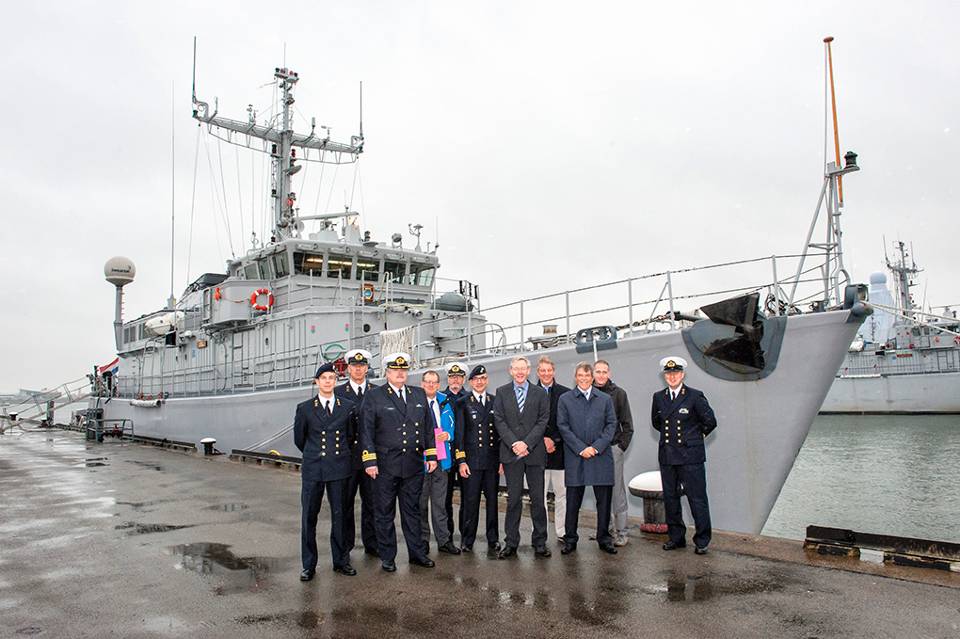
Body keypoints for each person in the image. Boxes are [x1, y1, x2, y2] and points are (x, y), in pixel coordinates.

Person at [361, 352, 439, 571]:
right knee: (385, 513)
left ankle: (417, 554)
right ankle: (388, 557)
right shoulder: (374, 396)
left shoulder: (418, 394)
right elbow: (366, 430)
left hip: (413, 464)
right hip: (385, 465)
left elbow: (428, 427)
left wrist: (431, 455)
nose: (400, 373)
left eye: (403, 370)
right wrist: (369, 461)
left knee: (412, 511)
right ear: (387, 372)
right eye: (395, 370)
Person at [294, 363, 357, 580]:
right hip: (314, 469)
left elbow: (350, 436)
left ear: (335, 381)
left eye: (331, 378)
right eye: (324, 378)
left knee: (340, 516)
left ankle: (341, 560)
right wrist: (315, 454)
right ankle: (308, 565)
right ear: (317, 382)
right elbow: (300, 439)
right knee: (309, 517)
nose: (328, 381)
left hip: (339, 468)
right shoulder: (305, 408)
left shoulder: (347, 407)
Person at [651, 356, 717, 554]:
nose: (672, 377)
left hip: (691, 457)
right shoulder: (659, 397)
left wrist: (695, 438)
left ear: (682, 375)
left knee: (697, 499)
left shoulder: (695, 396)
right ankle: (676, 537)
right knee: (671, 499)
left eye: (676, 373)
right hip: (668, 455)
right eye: (669, 374)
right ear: (664, 376)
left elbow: (710, 421)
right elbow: (657, 422)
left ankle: (702, 540)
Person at [556, 362, 619, 555]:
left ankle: (604, 538)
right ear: (575, 377)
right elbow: (563, 426)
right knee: (573, 502)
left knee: (604, 502)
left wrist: (596, 447)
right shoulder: (565, 399)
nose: (583, 379)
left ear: (592, 378)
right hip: (576, 457)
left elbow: (611, 425)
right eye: (580, 376)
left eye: (587, 375)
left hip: (601, 456)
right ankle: (570, 539)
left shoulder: (605, 399)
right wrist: (581, 448)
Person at [493, 355, 551, 559]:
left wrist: (526, 443)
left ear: (528, 371)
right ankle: (511, 542)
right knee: (513, 500)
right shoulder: (501, 392)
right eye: (516, 368)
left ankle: (540, 542)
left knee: (538, 500)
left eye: (523, 368)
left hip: (534, 453)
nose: (519, 372)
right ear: (510, 371)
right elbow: (499, 420)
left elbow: (543, 420)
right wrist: (514, 444)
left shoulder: (540, 393)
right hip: (511, 453)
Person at [454, 364, 502, 553]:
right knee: (470, 502)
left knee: (492, 502)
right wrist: (461, 461)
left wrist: (501, 460)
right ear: (471, 382)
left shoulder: (495, 401)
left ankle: (493, 538)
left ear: (487, 380)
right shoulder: (462, 402)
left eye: (483, 379)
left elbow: (499, 433)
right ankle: (467, 539)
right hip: (471, 462)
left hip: (491, 461)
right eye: (476, 379)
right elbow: (459, 435)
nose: (480, 382)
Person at [335, 348, 379, 559]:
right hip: (348, 458)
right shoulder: (338, 393)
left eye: (362, 366)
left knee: (372, 502)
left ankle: (372, 544)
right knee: (345, 504)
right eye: (354, 366)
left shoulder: (377, 392)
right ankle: (345, 546)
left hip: (371, 458)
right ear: (348, 369)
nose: (358, 369)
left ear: (367, 368)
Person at [592, 359, 634, 547]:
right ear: (593, 373)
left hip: (612, 449)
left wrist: (620, 447)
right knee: (600, 493)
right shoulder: (588, 393)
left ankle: (622, 532)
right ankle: (605, 531)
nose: (601, 375)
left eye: (604, 372)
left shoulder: (619, 394)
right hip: (595, 450)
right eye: (598, 372)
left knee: (617, 492)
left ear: (609, 373)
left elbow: (627, 424)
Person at [419, 370, 461, 555]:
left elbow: (452, 424)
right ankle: (422, 541)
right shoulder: (415, 402)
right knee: (420, 504)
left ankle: (444, 540)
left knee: (440, 503)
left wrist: (448, 434)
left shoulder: (445, 401)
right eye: (427, 382)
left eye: (434, 382)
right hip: (421, 461)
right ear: (422, 384)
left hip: (442, 459)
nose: (430, 385)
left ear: (438, 384)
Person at [535, 356, 571, 543]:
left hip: (560, 452)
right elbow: (526, 422)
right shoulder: (530, 393)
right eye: (543, 370)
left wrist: (554, 439)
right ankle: (540, 532)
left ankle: (562, 531)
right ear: (538, 372)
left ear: (554, 371)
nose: (546, 374)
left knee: (561, 494)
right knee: (538, 495)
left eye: (549, 370)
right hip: (536, 452)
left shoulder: (565, 394)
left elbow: (568, 422)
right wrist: (541, 440)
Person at [443, 362, 468, 541]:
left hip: (466, 456)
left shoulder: (469, 398)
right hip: (446, 454)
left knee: (468, 498)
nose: (455, 380)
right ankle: (447, 536)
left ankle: (466, 536)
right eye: (452, 377)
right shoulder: (441, 398)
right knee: (445, 498)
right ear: (448, 379)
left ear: (464, 379)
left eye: (459, 377)